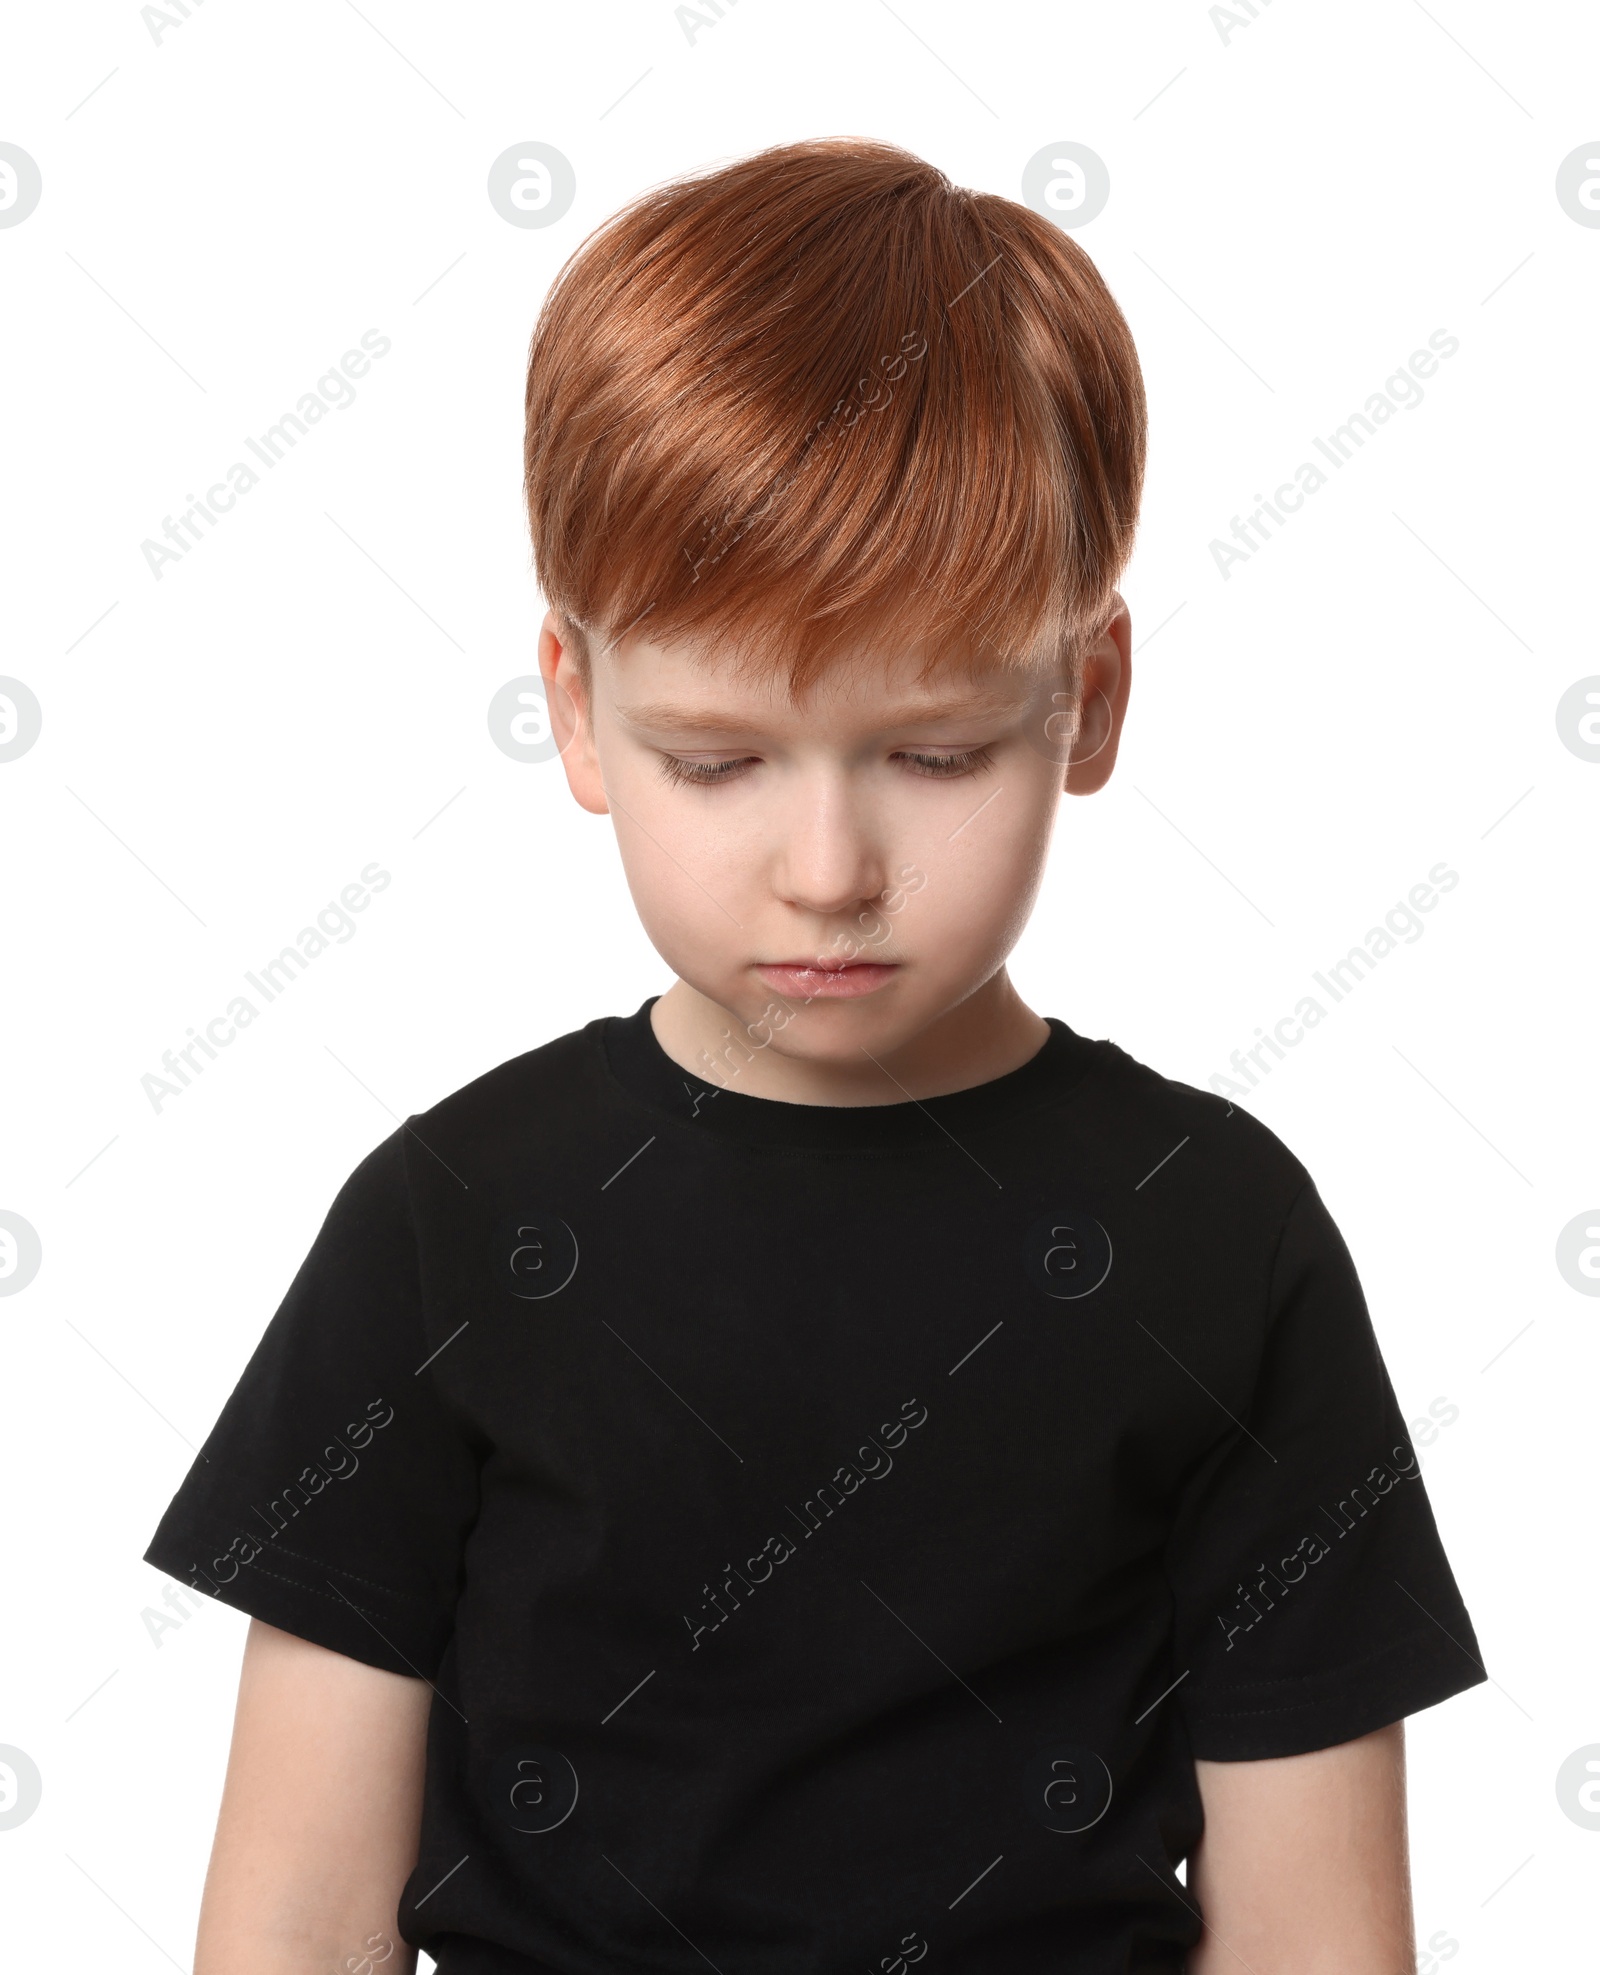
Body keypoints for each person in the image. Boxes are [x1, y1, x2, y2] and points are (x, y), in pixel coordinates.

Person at [143, 136, 1485, 1975]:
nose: (831, 872)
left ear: (1084, 702)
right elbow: (292, 1917)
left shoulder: (1215, 1233)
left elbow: (1321, 1936)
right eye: (719, 761)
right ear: (576, 710)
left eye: (934, 756)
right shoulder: (452, 1219)